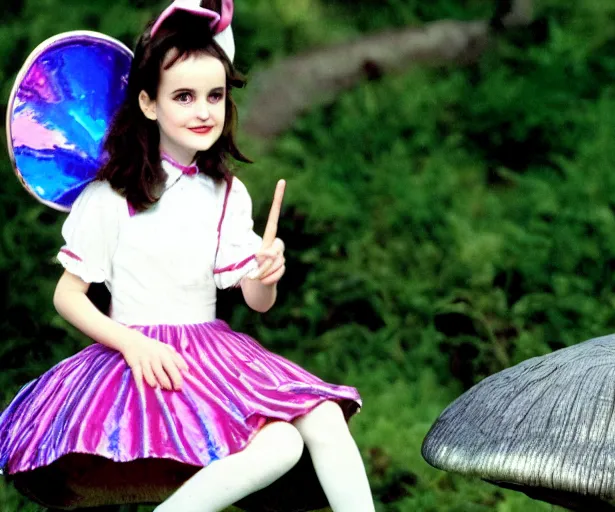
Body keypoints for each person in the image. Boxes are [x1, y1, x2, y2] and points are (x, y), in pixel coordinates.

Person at [0, 1, 374, 510]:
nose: (203, 111)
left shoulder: (225, 192)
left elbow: (257, 302)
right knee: (283, 443)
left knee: (318, 419)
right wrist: (130, 344)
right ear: (150, 104)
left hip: (212, 352)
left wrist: (266, 271)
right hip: (143, 353)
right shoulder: (112, 194)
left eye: (214, 96)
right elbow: (68, 295)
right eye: (184, 96)